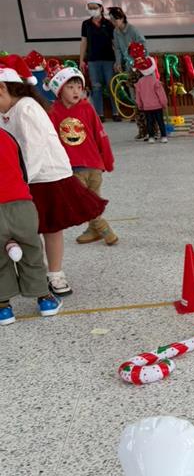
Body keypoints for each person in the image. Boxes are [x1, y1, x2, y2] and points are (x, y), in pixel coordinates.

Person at [0, 55, 107, 297]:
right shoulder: (7, 110)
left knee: (51, 228)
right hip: (25, 179)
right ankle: (34, 276)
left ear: (3, 88)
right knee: (27, 230)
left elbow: (34, 149)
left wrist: (21, 180)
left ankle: (55, 275)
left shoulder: (26, 108)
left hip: (47, 178)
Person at [46, 64, 118, 246]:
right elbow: (50, 141)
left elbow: (101, 135)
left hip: (94, 166)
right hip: (72, 166)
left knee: (90, 201)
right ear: (59, 90)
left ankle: (102, 228)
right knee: (84, 201)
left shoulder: (87, 108)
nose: (76, 91)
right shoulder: (53, 112)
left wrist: (107, 160)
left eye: (79, 87)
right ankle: (93, 230)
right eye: (70, 87)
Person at [0, 128, 62, 325]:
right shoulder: (6, 136)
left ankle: (3, 309)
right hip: (21, 204)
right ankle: (45, 300)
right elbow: (23, 170)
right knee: (31, 251)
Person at [79, 0, 117, 120]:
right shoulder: (86, 24)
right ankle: (99, 114)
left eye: (94, 8)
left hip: (108, 59)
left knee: (111, 86)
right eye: (90, 8)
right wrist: (81, 60)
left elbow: (114, 43)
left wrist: (118, 60)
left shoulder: (109, 23)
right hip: (93, 60)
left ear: (101, 8)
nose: (92, 10)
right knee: (96, 87)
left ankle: (116, 113)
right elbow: (84, 42)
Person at [133, 55, 168, 145]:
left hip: (147, 107)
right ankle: (164, 136)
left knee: (149, 122)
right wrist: (164, 104)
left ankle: (151, 137)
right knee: (160, 121)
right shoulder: (156, 81)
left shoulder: (139, 82)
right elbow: (161, 95)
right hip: (158, 106)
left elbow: (138, 96)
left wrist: (140, 105)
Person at [108, 8, 147, 73]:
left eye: (115, 19)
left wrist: (137, 61)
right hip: (127, 63)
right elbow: (117, 49)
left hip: (138, 62)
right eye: (111, 19)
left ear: (122, 18)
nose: (113, 22)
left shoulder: (132, 30)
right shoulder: (115, 31)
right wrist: (118, 62)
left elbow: (143, 45)